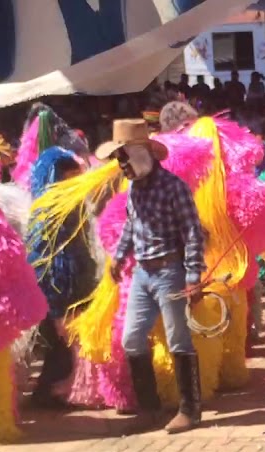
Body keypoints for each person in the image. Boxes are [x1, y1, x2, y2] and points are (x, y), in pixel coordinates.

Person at [99, 118, 207, 434]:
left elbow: (192, 233)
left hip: (170, 273)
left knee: (178, 340)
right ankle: (150, 407)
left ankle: (191, 410)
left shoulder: (174, 187)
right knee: (131, 338)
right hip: (143, 275)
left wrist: (192, 276)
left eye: (123, 157)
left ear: (141, 153)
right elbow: (132, 226)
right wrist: (118, 258)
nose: (120, 166)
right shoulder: (133, 189)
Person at [26, 150, 96, 409]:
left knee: (65, 350)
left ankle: (54, 394)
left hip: (74, 287)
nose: (76, 181)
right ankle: (49, 395)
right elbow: (47, 262)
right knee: (61, 348)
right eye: (71, 177)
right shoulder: (48, 213)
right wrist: (56, 309)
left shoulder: (72, 206)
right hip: (57, 292)